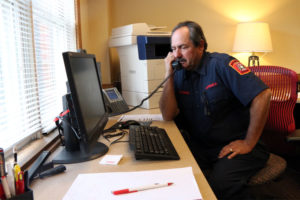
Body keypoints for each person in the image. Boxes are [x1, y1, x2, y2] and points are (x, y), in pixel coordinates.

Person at [159, 21, 272, 199]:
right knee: (170, 171)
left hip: (238, 145)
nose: (177, 54)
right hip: (203, 147)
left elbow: (263, 95)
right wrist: (168, 74)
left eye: (183, 47)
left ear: (201, 45)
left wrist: (249, 142)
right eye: (173, 49)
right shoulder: (178, 73)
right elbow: (168, 114)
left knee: (220, 185)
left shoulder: (222, 64)